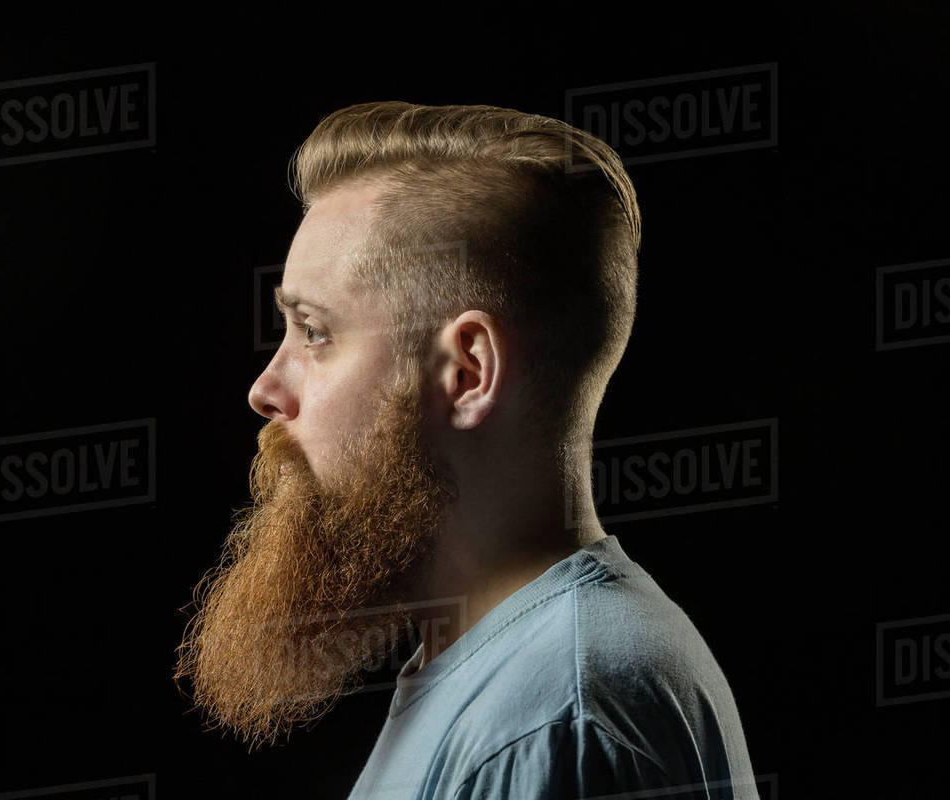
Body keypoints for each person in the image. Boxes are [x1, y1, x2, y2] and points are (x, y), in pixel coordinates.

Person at [175, 101, 758, 799]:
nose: (265, 389)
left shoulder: (552, 720)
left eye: (315, 332)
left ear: (467, 374)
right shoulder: (497, 667)